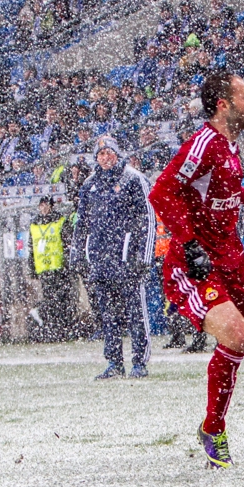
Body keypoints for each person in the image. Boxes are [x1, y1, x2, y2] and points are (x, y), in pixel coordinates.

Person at [149, 72, 244, 469]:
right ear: (222, 105)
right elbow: (161, 191)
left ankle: (224, 317)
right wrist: (189, 243)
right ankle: (213, 428)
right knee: (238, 334)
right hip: (195, 265)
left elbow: (226, 190)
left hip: (233, 260)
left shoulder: (229, 147)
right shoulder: (203, 144)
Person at [70, 135, 155, 380]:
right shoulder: (89, 184)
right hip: (100, 259)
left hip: (127, 258)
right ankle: (114, 362)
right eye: (100, 154)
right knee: (107, 315)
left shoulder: (133, 178)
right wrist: (78, 252)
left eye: (109, 153)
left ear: (117, 154)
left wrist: (143, 256)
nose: (105, 158)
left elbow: (148, 219)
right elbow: (81, 223)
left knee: (136, 311)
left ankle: (140, 361)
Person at [28, 196, 75, 342]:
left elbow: (67, 244)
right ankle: (52, 329)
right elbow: (32, 248)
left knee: (63, 299)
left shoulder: (60, 221)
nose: (43, 208)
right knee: (51, 299)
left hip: (59, 266)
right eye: (41, 205)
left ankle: (63, 330)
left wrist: (69, 264)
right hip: (44, 267)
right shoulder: (34, 224)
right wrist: (32, 268)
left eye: (46, 205)